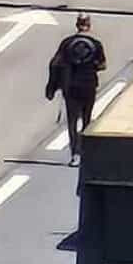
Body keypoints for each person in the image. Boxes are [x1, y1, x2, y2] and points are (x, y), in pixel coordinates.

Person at [45, 14, 106, 166]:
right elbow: (103, 65)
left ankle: (75, 155)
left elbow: (55, 64)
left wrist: (52, 87)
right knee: (86, 120)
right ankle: (86, 153)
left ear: (77, 25)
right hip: (89, 85)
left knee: (72, 122)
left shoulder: (67, 43)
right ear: (89, 25)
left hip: (71, 87)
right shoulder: (96, 44)